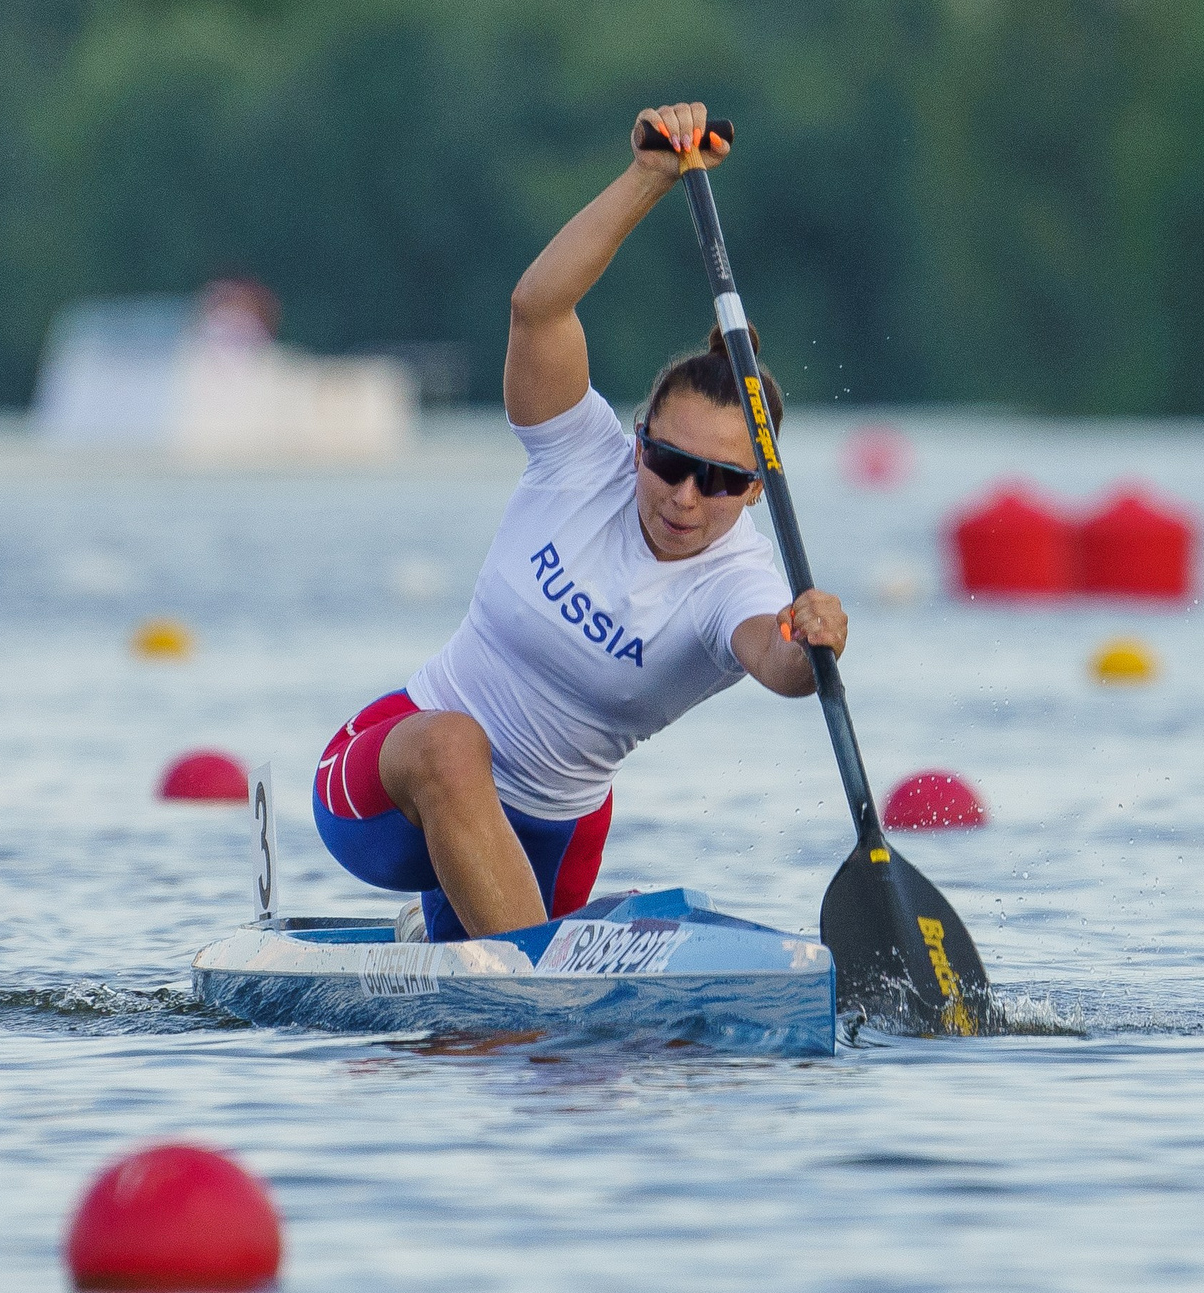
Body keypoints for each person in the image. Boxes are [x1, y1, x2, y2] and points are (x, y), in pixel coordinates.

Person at [312, 102, 849, 942]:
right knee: (455, 745)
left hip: (551, 842)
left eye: (718, 480)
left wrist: (816, 645)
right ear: (636, 440)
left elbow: (780, 665)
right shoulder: (579, 455)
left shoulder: (737, 583)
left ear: (755, 492)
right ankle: (527, 974)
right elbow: (538, 308)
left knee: (512, 1016)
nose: (683, 496)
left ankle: (461, 948)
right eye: (666, 461)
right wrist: (648, 177)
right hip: (389, 783)